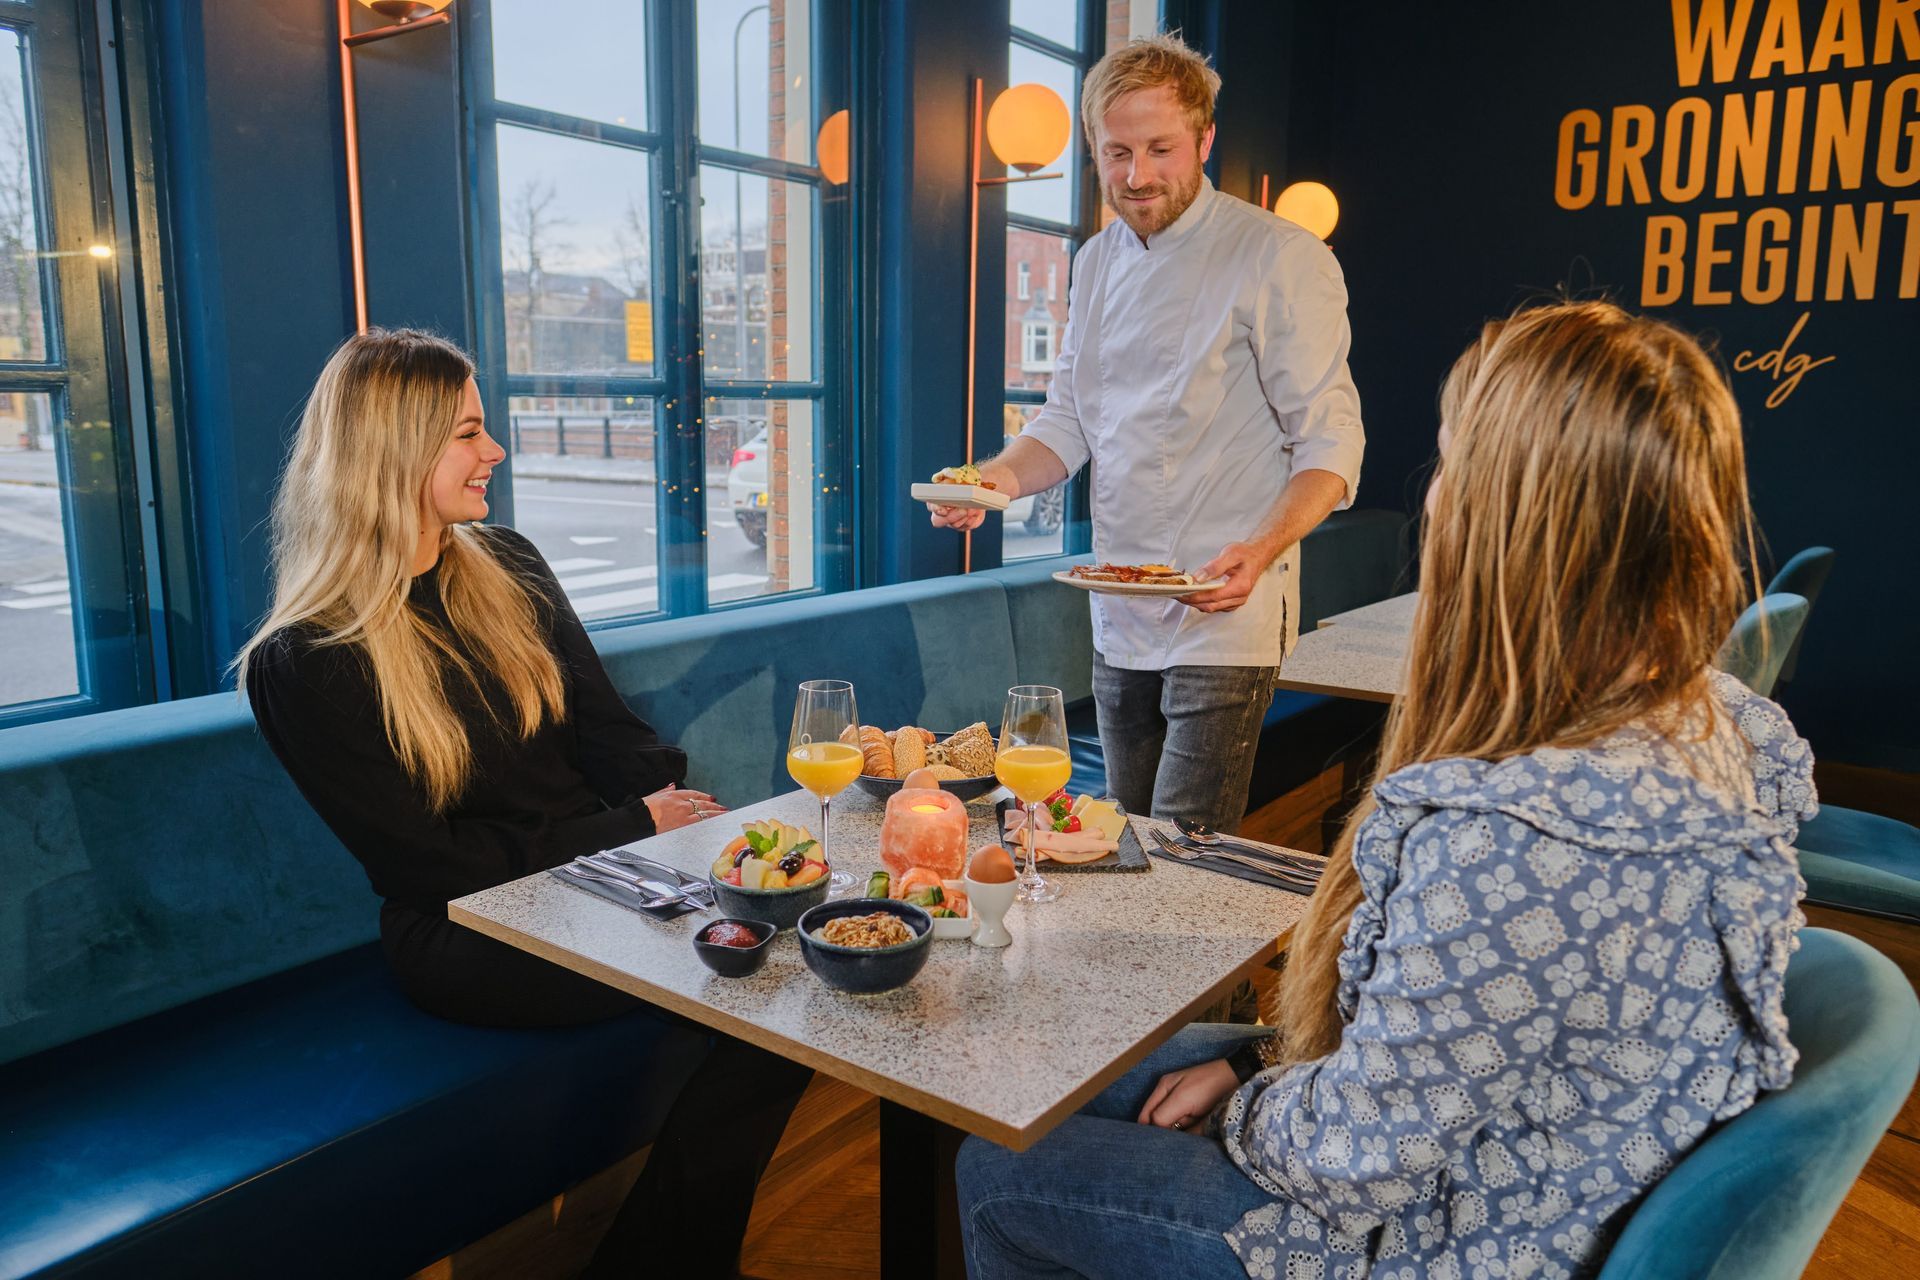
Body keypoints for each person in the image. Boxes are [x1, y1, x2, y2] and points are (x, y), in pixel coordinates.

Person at [954, 300, 1816, 1279]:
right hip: (1528, 1148)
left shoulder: (1523, 837)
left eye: (1450, 463)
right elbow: (1455, 1030)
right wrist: (1251, 1061)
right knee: (1084, 1062)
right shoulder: (1720, 722)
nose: (1435, 495)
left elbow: (1356, 1156)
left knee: (1000, 1166)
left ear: (1514, 524)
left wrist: (1241, 1103)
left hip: (1444, 1239)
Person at [237, 328, 811, 1278]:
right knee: (770, 976)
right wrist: (634, 827)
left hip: (608, 872)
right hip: (470, 930)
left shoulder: (507, 561)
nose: (494, 451)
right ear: (395, 450)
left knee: (806, 946)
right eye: (468, 432)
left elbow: (606, 730)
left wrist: (689, 813)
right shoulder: (301, 659)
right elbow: (427, 866)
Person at [929, 33, 1366, 834]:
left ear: (1204, 139)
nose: (1136, 176)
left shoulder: (1277, 255)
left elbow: (1331, 444)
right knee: (1121, 838)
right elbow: (1067, 420)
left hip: (1222, 606)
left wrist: (1260, 552)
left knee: (1183, 853)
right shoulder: (1094, 261)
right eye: (1116, 152)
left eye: (1160, 149)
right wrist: (989, 482)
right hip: (1119, 607)